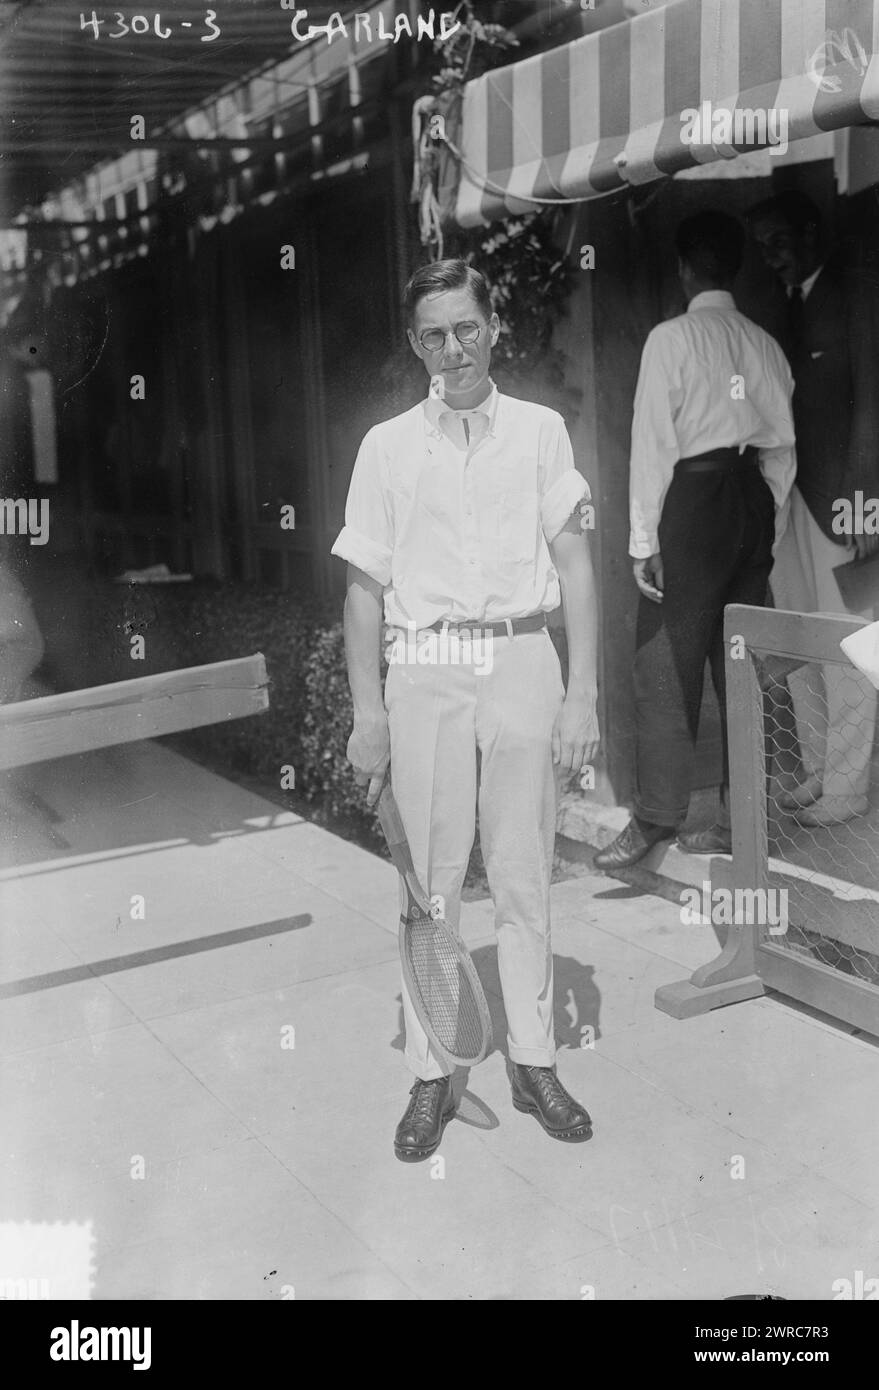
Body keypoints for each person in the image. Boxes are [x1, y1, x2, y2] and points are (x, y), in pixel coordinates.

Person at [332, 259, 600, 1161]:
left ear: (494, 326)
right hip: (429, 662)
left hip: (523, 651)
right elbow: (364, 591)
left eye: (467, 327)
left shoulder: (539, 432)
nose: (453, 348)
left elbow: (575, 569)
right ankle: (434, 1071)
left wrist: (583, 696)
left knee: (523, 871)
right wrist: (369, 709)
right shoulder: (384, 446)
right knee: (431, 882)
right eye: (433, 335)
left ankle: (532, 1060)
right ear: (416, 345)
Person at [595, 211, 796, 871]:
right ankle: (742, 817)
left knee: (661, 662)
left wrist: (642, 538)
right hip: (749, 499)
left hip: (691, 502)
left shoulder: (670, 339)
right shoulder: (763, 344)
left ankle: (654, 817)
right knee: (737, 654)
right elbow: (782, 449)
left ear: (684, 268)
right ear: (733, 267)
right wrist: (765, 522)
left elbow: (653, 439)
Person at [748, 191, 879, 826]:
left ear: (810, 228)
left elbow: (870, 404)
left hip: (842, 502)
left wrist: (865, 502)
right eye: (762, 244)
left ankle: (850, 786)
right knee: (801, 634)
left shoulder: (855, 293)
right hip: (793, 496)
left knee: (850, 637)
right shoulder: (786, 303)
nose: (771, 255)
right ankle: (822, 768)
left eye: (779, 239)